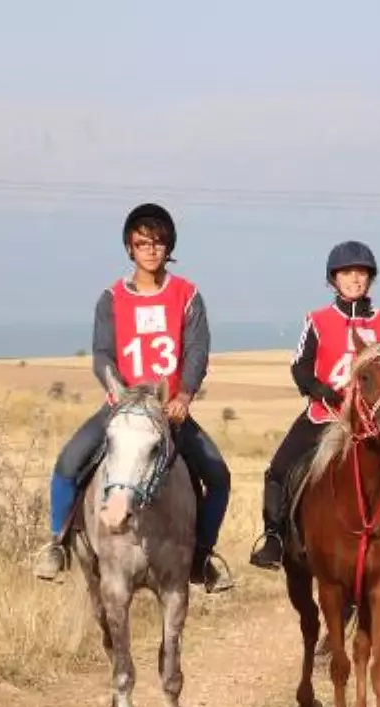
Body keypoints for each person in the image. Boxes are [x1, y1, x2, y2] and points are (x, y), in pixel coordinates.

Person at [33, 203, 234, 593]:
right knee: (68, 464)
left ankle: (203, 556)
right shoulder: (111, 299)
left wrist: (185, 396)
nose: (151, 249)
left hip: (169, 412)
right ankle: (57, 544)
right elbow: (103, 354)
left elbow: (196, 350)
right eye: (142, 242)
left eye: (159, 243)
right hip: (122, 408)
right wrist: (116, 392)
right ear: (130, 247)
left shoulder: (187, 295)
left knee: (218, 476)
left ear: (168, 248)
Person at [249, 240, 380, 572]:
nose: (354, 279)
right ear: (333, 279)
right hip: (324, 414)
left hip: (375, 421)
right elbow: (300, 366)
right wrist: (321, 391)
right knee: (279, 468)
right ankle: (274, 539)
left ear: (371, 278)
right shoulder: (317, 320)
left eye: (361, 273)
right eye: (346, 273)